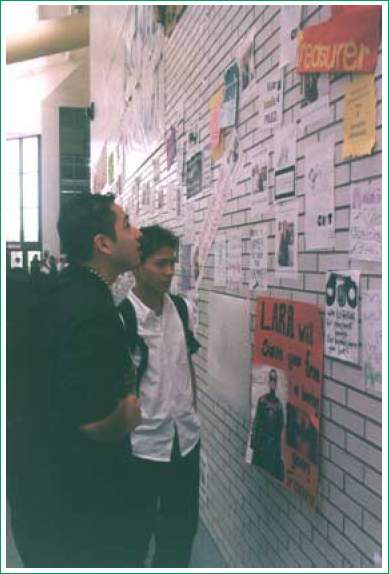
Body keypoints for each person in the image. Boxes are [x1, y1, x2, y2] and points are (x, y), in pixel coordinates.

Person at [8, 193, 142, 568]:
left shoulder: (66, 290)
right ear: (103, 244)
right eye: (127, 224)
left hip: (42, 495)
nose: (138, 232)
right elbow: (94, 423)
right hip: (73, 512)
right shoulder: (91, 312)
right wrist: (128, 414)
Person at [122, 225, 201, 568]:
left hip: (183, 442)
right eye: (160, 264)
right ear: (138, 264)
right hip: (141, 445)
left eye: (172, 263)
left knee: (181, 531)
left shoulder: (183, 309)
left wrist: (191, 412)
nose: (170, 272)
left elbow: (187, 366)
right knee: (135, 534)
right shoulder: (123, 318)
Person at [250, 368, 284, 481]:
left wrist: (278, 453)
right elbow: (257, 422)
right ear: (269, 382)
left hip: (272, 448)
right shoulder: (262, 401)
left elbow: (280, 429)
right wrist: (253, 441)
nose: (273, 383)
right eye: (271, 380)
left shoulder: (278, 406)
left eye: (275, 380)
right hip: (262, 445)